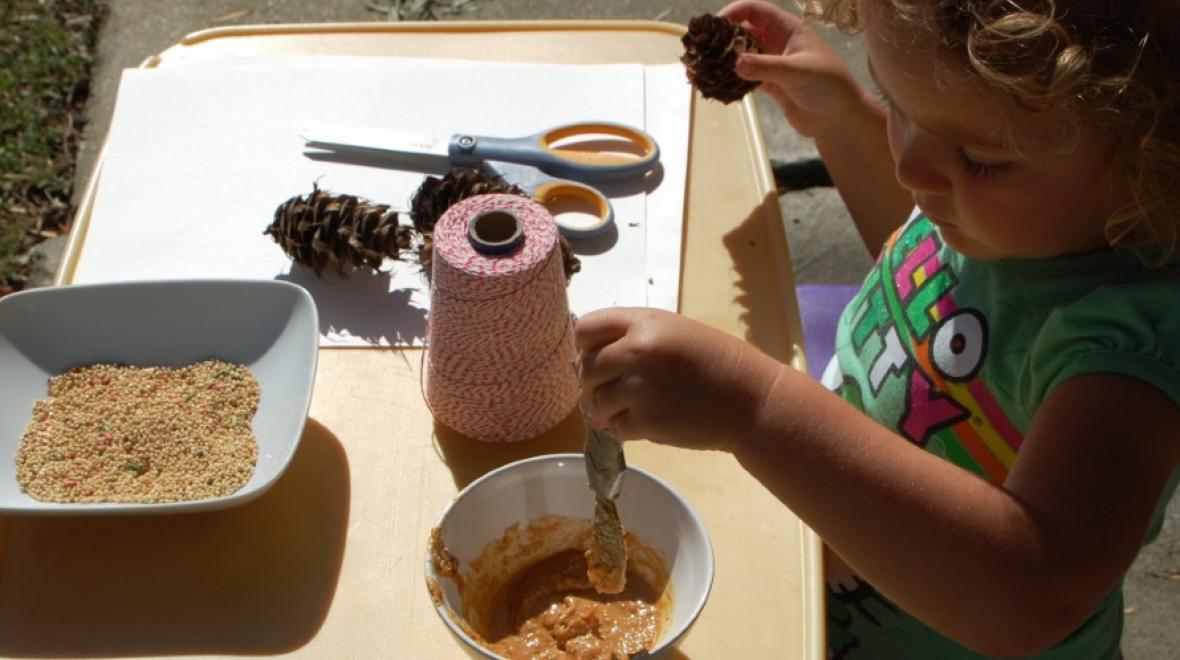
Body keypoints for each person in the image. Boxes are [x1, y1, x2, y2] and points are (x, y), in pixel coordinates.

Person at [575, 0, 1180, 657]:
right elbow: (915, 252)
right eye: (899, 105)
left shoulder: (1124, 355)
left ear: (1153, 160)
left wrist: (753, 408)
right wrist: (843, 119)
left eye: (978, 158)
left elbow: (1026, 593)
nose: (911, 169)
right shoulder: (1007, 221)